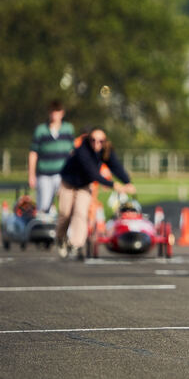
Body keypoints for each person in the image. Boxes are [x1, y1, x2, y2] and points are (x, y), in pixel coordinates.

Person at [56, 127, 135, 260]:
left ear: (104, 141)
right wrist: (113, 185)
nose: (96, 144)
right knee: (65, 213)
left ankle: (75, 244)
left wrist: (127, 182)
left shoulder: (105, 150)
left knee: (81, 213)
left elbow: (115, 166)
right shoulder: (82, 150)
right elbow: (92, 173)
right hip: (68, 184)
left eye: (100, 141)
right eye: (93, 140)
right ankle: (60, 238)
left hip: (84, 186)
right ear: (89, 140)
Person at [28, 100, 75, 213]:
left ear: (62, 113)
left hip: (63, 174)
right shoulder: (41, 130)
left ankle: (64, 230)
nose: (55, 115)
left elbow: (72, 152)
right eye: (52, 111)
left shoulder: (68, 129)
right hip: (45, 174)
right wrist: (31, 174)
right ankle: (43, 229)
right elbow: (33, 153)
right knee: (44, 206)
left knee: (66, 206)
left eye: (57, 111)